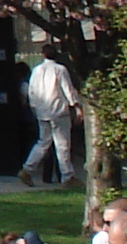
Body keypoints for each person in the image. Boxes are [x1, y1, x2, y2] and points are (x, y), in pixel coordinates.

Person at [18, 47, 80, 186]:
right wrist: (75, 105)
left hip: (42, 111)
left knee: (43, 142)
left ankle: (28, 168)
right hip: (58, 110)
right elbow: (67, 89)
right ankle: (67, 176)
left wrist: (34, 108)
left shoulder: (36, 70)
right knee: (62, 144)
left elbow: (32, 91)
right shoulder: (60, 69)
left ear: (42, 55)